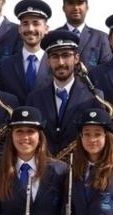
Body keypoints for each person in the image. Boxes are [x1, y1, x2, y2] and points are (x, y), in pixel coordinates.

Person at [29, 29, 102, 157]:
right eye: (55, 57)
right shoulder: (34, 98)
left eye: (66, 55)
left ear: (76, 58)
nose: (61, 62)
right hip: (45, 169)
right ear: (48, 61)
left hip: (80, 169)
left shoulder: (94, 97)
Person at [0, 0, 53, 103]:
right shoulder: (4, 66)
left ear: (46, 28)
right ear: (19, 29)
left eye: (36, 23)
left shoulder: (55, 64)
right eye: (25, 23)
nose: (30, 29)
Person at [55, 0, 111, 68]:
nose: (75, 7)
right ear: (63, 8)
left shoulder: (101, 38)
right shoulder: (53, 37)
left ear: (87, 7)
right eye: (70, 3)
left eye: (80, 3)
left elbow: (106, 70)